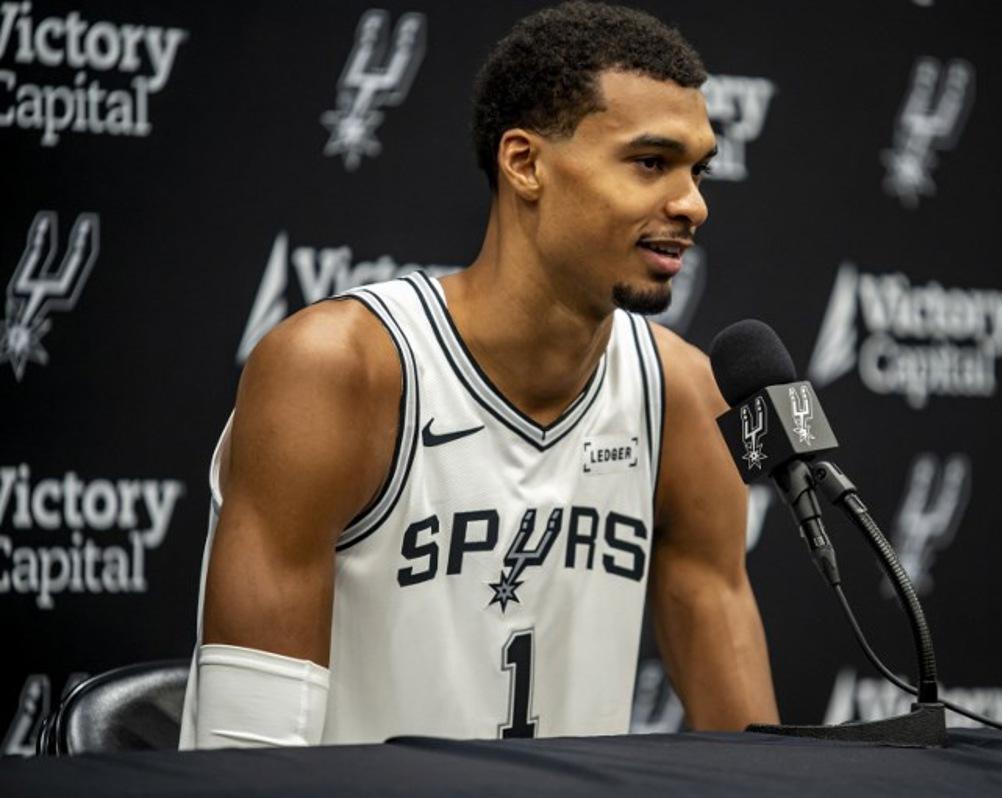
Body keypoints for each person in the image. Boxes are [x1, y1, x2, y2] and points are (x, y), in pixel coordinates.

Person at [179, 1, 778, 748]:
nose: (693, 204)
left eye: (698, 170)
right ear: (524, 163)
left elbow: (755, 761)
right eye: (651, 162)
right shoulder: (339, 370)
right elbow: (247, 761)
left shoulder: (685, 396)